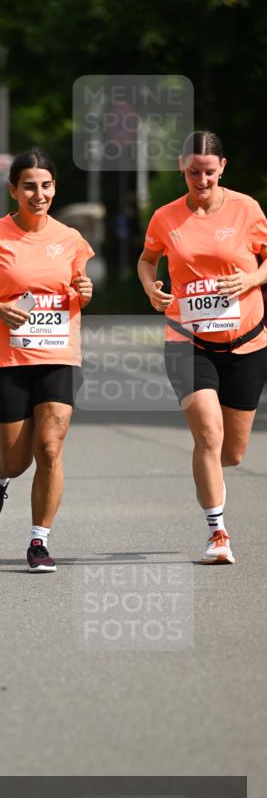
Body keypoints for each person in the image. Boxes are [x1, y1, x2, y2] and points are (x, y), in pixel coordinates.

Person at [0, 147, 94, 572]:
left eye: (46, 185)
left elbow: (78, 287)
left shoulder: (70, 239)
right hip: (6, 359)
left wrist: (85, 293)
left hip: (58, 355)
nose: (39, 193)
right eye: (29, 186)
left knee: (50, 449)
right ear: (13, 189)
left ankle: (39, 541)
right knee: (19, 459)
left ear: (55, 188)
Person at [138, 130, 267, 564]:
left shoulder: (247, 209)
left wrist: (250, 279)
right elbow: (147, 258)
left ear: (222, 168)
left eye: (209, 172)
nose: (201, 180)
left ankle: (213, 482)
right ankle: (217, 532)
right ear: (182, 167)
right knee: (208, 434)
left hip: (247, 340)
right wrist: (151, 289)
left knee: (232, 451)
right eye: (193, 171)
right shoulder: (165, 217)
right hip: (187, 340)